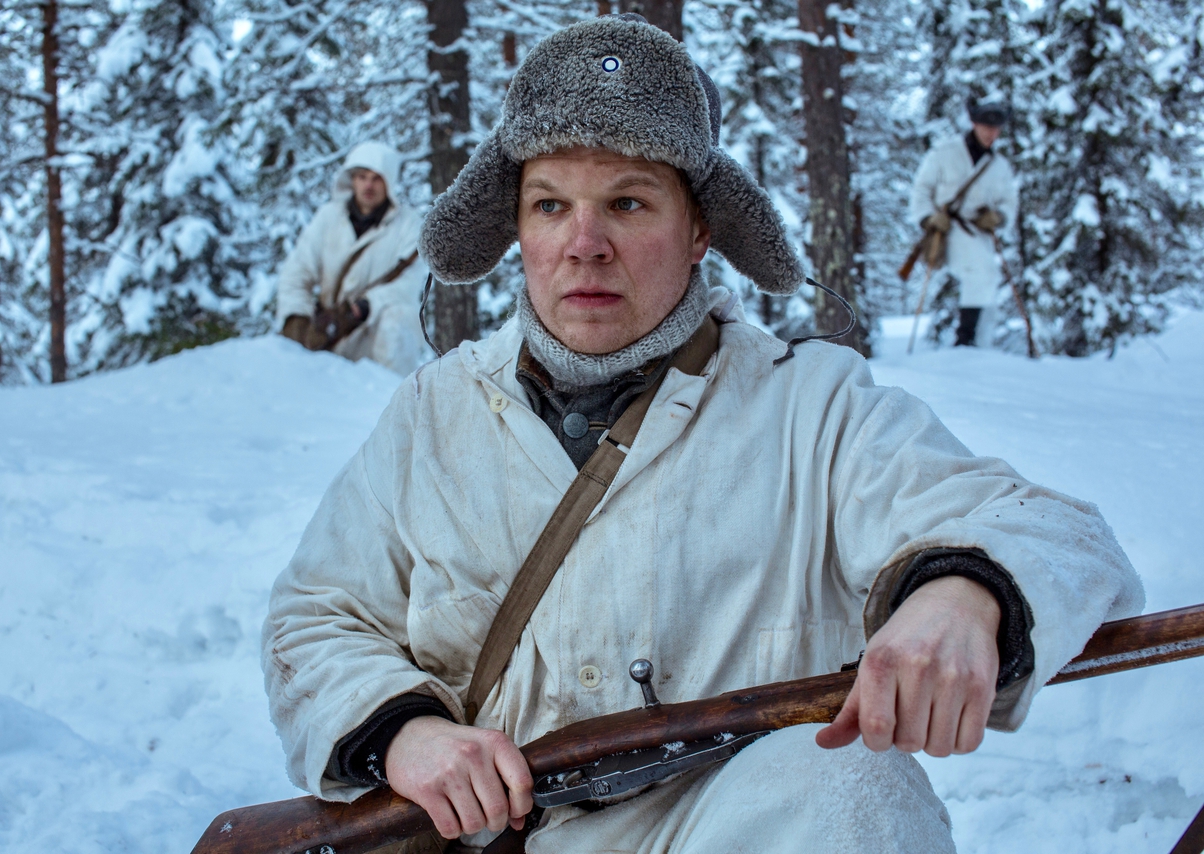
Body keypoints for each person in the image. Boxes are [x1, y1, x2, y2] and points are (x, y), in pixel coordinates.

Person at [263, 17, 1141, 854]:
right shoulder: (430, 414)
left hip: (735, 831)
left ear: (699, 232)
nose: (585, 243)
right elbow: (315, 617)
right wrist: (405, 732)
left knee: (852, 786)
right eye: (549, 205)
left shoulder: (813, 406)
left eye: (630, 202)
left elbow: (1056, 532)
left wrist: (965, 594)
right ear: (517, 229)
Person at [275, 141, 430, 374]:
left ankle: (393, 397)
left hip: (370, 333)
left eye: (376, 178)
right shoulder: (329, 217)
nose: (368, 185)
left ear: (388, 182)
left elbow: (408, 285)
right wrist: (296, 317)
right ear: (352, 180)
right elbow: (298, 270)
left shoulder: (409, 225)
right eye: (362, 177)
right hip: (326, 331)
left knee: (398, 320)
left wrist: (368, 306)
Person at [910, 97, 1019, 347]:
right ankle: (966, 339)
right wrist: (928, 218)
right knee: (980, 274)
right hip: (947, 229)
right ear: (974, 124)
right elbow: (921, 189)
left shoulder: (999, 165)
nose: (992, 133)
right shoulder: (944, 153)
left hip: (980, 232)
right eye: (986, 126)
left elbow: (1009, 201)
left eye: (996, 128)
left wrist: (998, 217)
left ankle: (976, 341)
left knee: (985, 278)